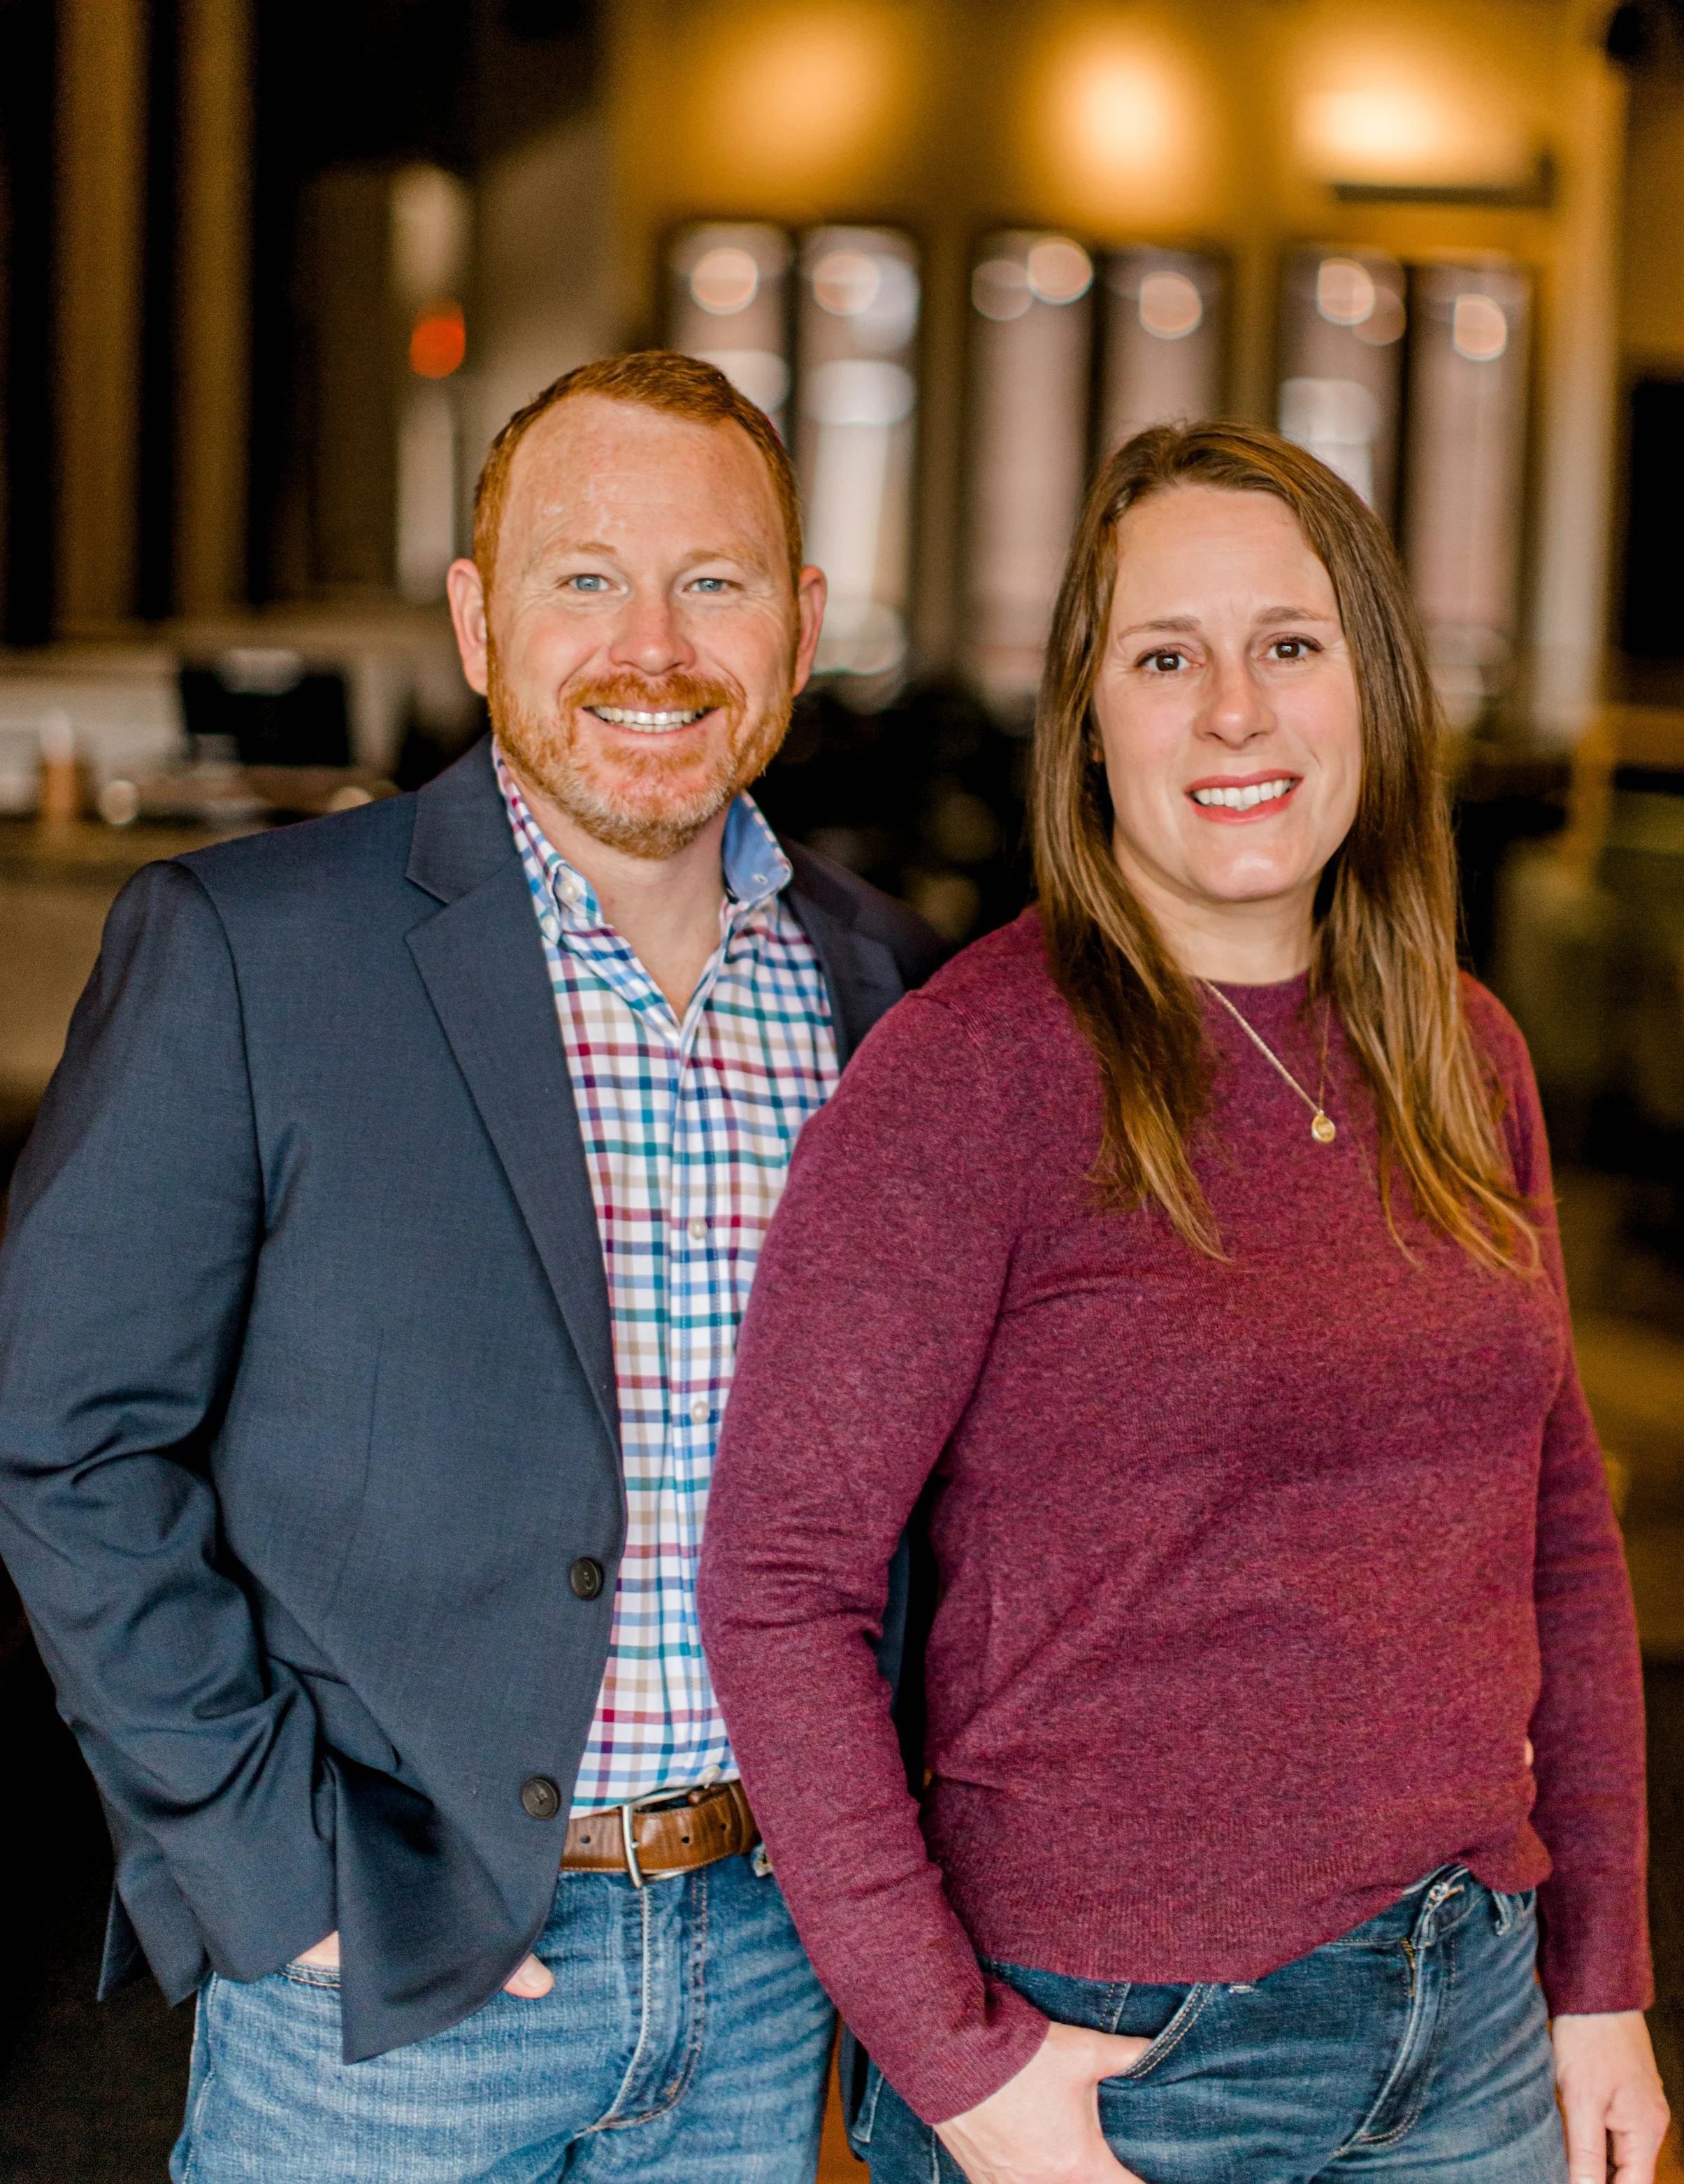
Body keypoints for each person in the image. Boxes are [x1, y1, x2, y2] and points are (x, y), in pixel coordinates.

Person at [0, 350, 943, 2182]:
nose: (651, 646)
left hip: (762, 1969)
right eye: (584, 576)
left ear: (802, 622)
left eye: (715, 581)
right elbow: (65, 1440)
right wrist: (264, 1859)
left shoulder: (887, 990)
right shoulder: (250, 948)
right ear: (478, 620)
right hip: (395, 1981)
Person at [700, 420, 1669, 2184]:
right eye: (1166, 656)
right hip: (1118, 2048)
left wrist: (1597, 1970)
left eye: (1286, 645)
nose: (1234, 708)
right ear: (1089, 722)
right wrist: (950, 2057)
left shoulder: (1462, 1051)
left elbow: (1559, 1532)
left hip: (1472, 2014)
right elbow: (777, 1583)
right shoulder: (967, 1077)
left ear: (1366, 688)